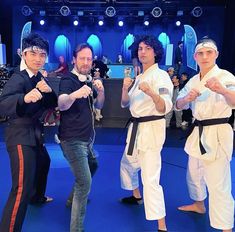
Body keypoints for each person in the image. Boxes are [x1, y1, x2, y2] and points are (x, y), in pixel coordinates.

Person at [176, 37, 235, 232]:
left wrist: (222, 90)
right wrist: (186, 98)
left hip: (217, 132)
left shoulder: (226, 77)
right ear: (195, 56)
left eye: (209, 52)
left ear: (216, 54)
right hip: (197, 132)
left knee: (218, 183)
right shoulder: (193, 80)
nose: (205, 56)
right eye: (200, 53)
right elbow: (177, 104)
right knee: (194, 174)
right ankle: (199, 205)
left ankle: (225, 226)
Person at [0, 33, 57, 232]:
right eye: (33, 53)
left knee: (44, 162)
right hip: (20, 135)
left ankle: (37, 196)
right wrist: (24, 98)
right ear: (23, 54)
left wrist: (47, 91)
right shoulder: (18, 77)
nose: (38, 58)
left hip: (35, 133)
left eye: (42, 54)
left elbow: (52, 104)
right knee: (20, 188)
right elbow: (2, 105)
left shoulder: (38, 76)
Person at [120, 35, 173, 232]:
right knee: (128, 163)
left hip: (151, 129)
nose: (142, 51)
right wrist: (125, 88)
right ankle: (136, 196)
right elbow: (125, 104)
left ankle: (162, 225)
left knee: (150, 178)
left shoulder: (161, 77)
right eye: (140, 48)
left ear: (156, 52)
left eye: (147, 48)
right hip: (135, 128)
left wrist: (151, 92)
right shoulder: (139, 77)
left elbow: (165, 107)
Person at [58, 43, 105, 232]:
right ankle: (76, 229)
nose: (86, 62)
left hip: (86, 139)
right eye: (82, 58)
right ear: (74, 60)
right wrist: (74, 95)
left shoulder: (87, 80)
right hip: (71, 140)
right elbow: (61, 104)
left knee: (93, 165)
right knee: (84, 182)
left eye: (89, 59)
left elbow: (99, 105)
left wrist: (101, 91)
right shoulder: (68, 80)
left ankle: (72, 198)